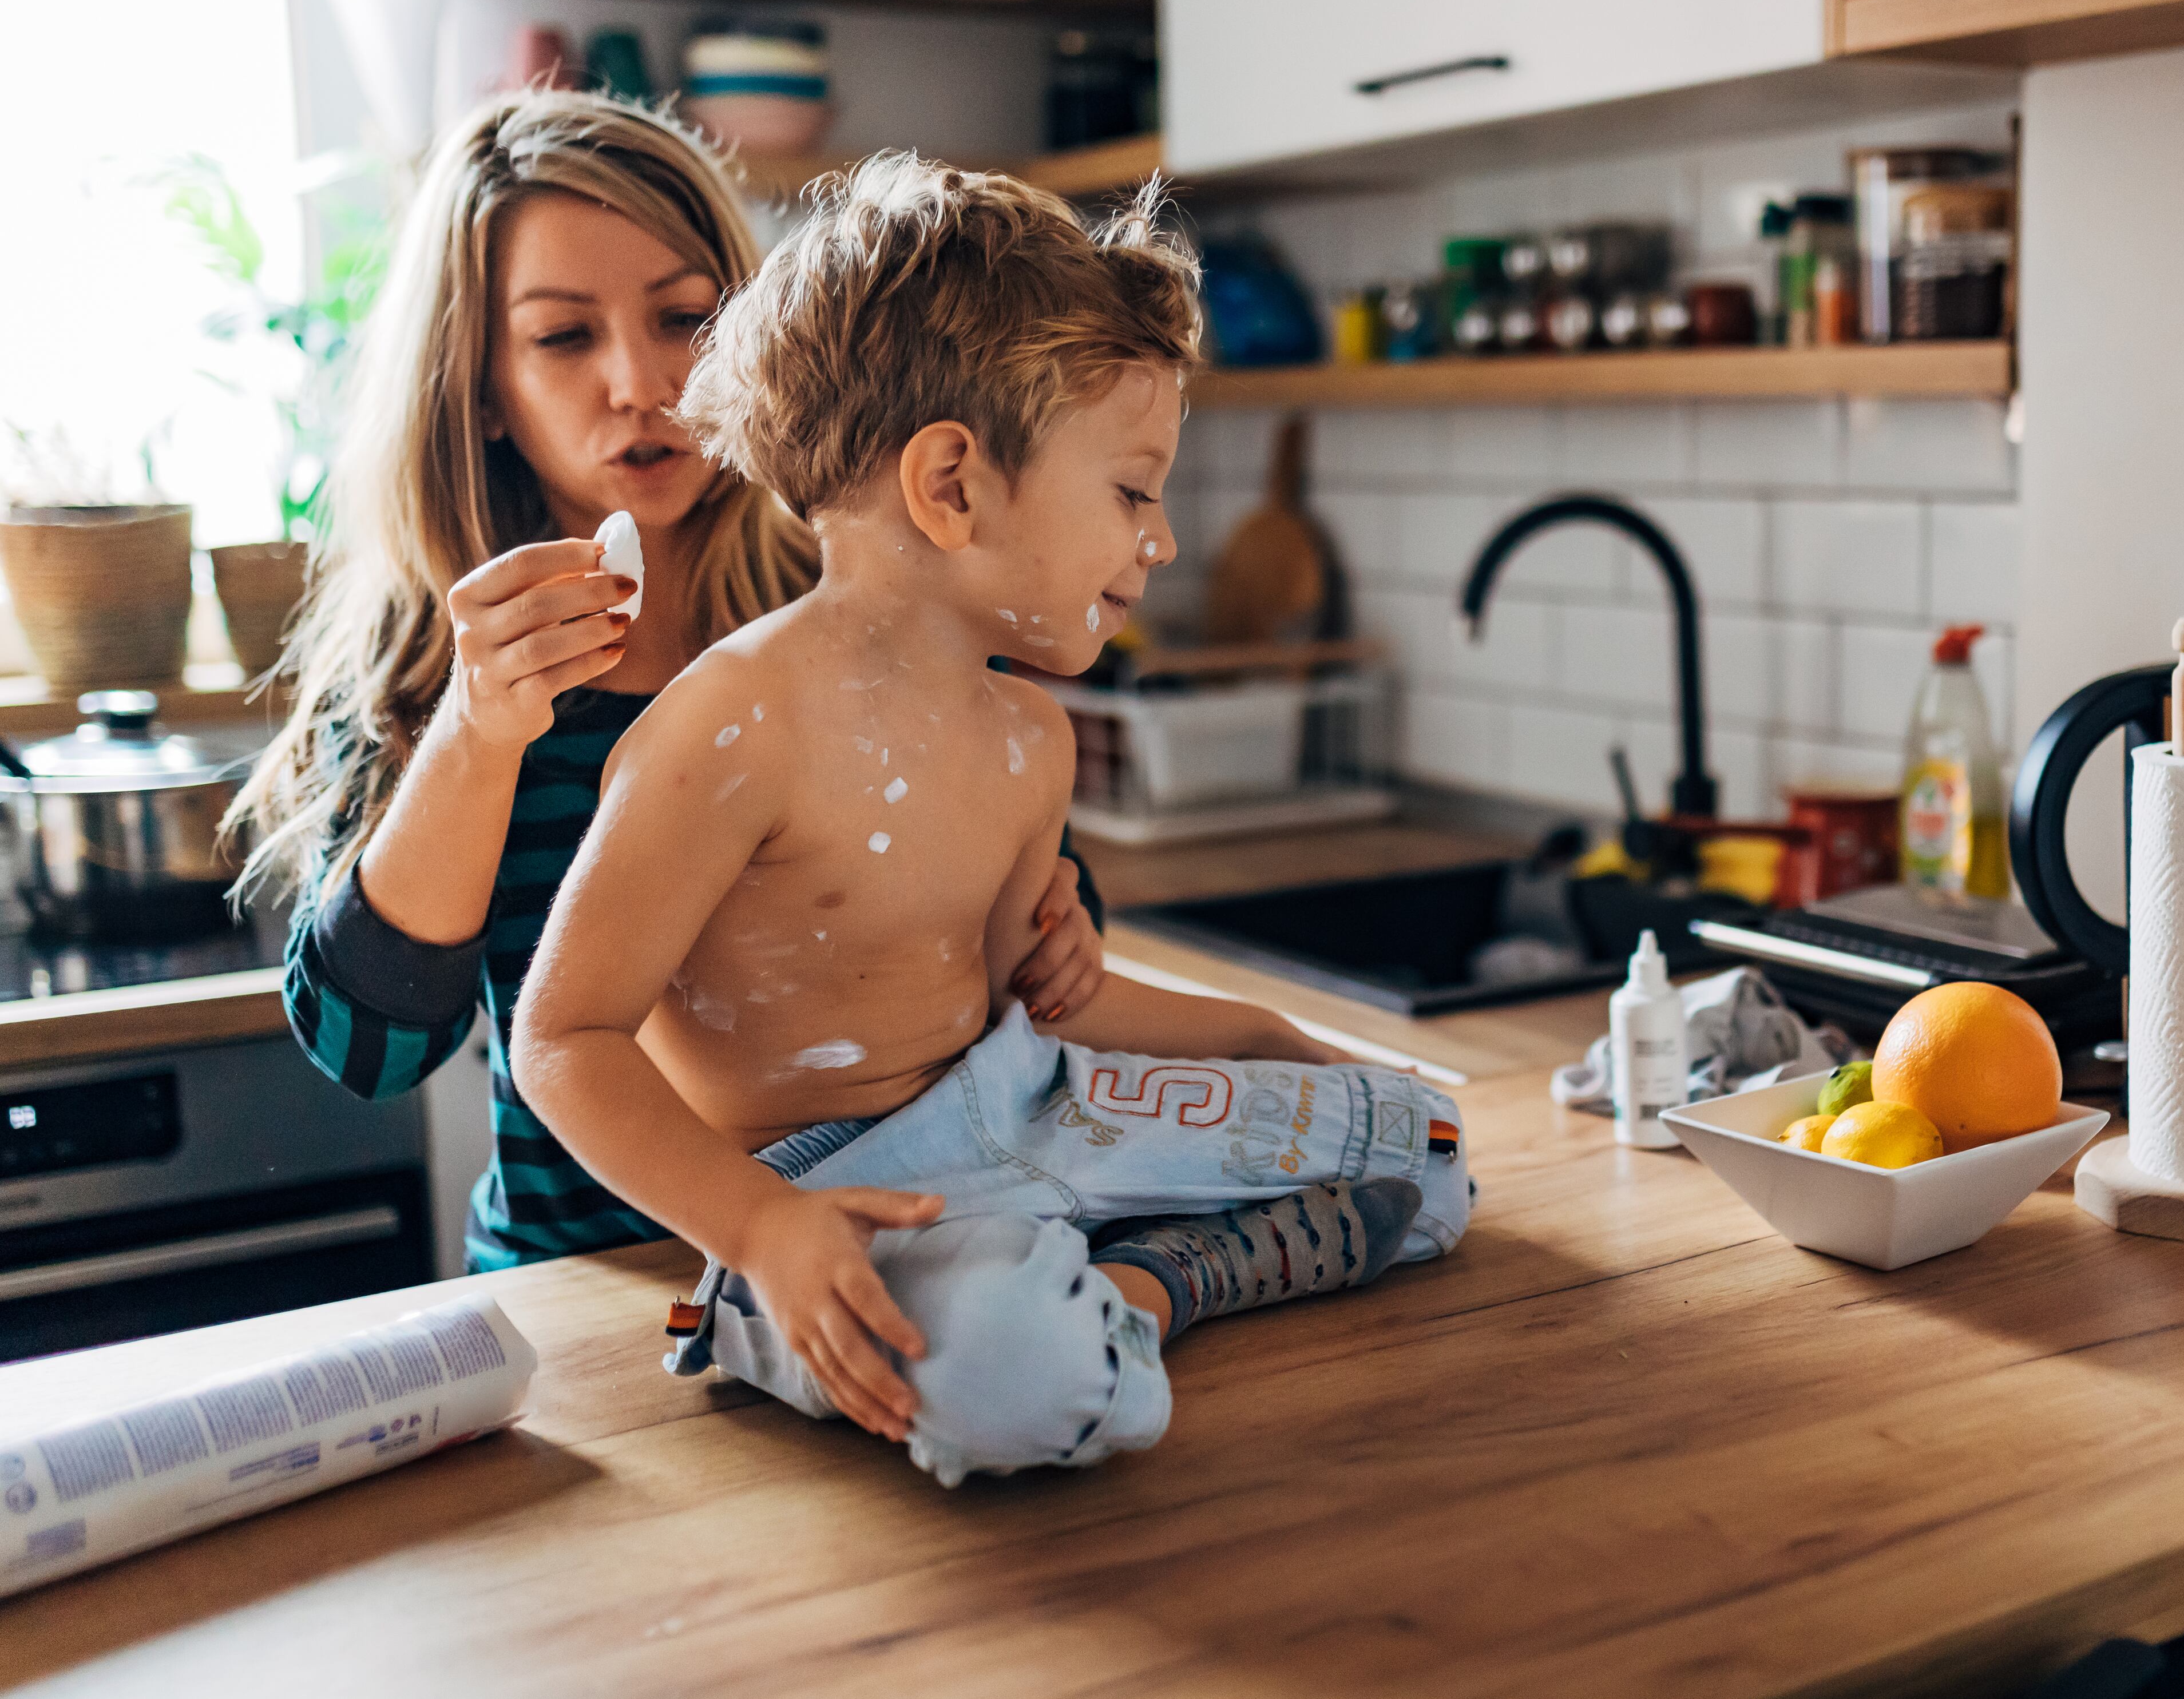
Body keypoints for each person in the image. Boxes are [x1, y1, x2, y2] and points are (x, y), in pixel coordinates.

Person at [510, 158, 1470, 1486]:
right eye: (1132, 491)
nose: (1162, 541)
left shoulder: (1034, 736)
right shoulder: (730, 726)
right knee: (1022, 1370)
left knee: (1423, 1147)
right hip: (837, 1190)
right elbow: (563, 1035)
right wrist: (765, 1228)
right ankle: (1026, 1304)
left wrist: (1269, 1041)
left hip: (1024, 1106)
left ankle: (1134, 1282)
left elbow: (1041, 1005)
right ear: (953, 485)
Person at [227, 93, 1108, 1274]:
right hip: (585, 1295)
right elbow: (367, 1054)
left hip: (896, 1255)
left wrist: (1063, 930)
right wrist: (477, 736)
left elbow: (1008, 886)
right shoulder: (422, 670)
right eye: (562, 337)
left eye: (685, 316)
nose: (641, 382)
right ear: (479, 384)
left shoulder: (869, 601)